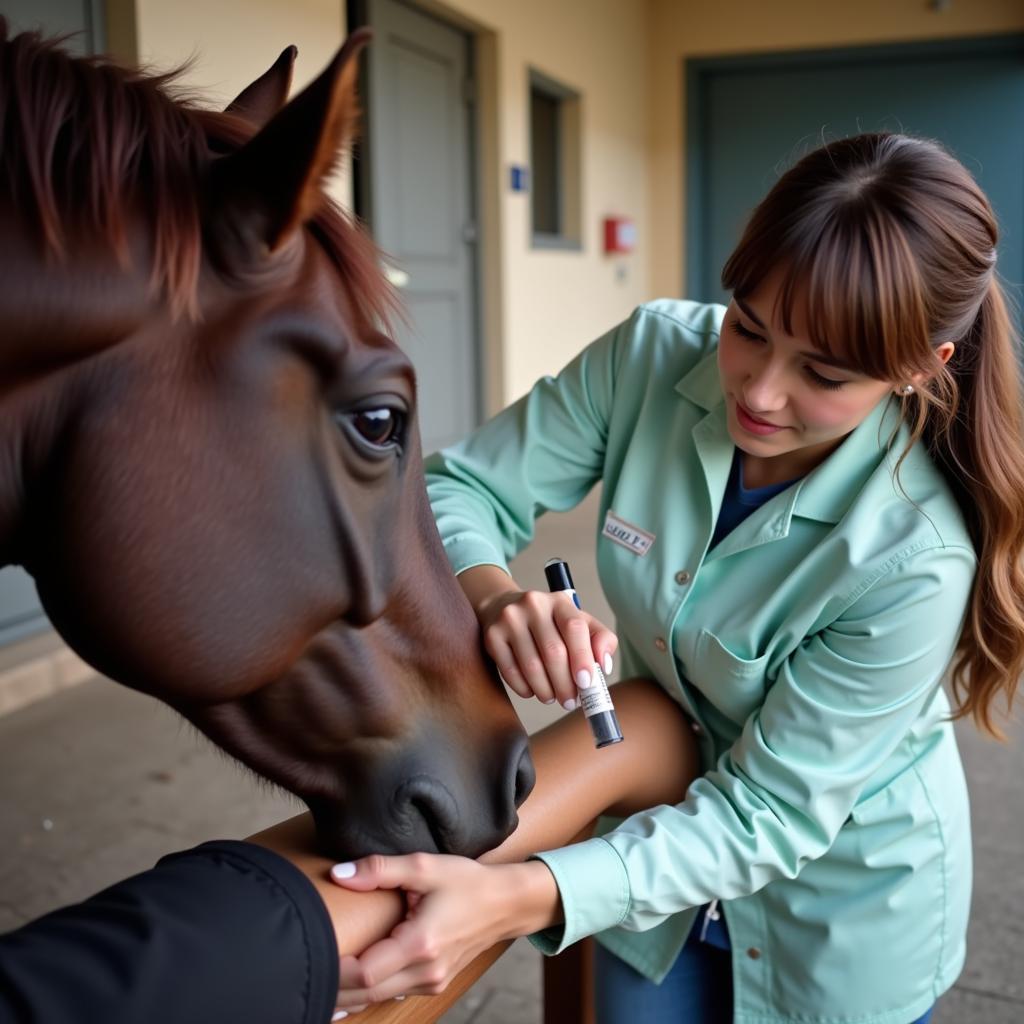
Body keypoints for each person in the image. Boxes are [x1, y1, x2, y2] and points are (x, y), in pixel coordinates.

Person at [329, 132, 1024, 1024]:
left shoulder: (918, 557)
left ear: (920, 369)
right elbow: (454, 488)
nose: (761, 393)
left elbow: (766, 816)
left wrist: (514, 896)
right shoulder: (651, 354)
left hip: (838, 904)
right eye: (750, 327)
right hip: (647, 867)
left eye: (823, 373)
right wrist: (496, 596)